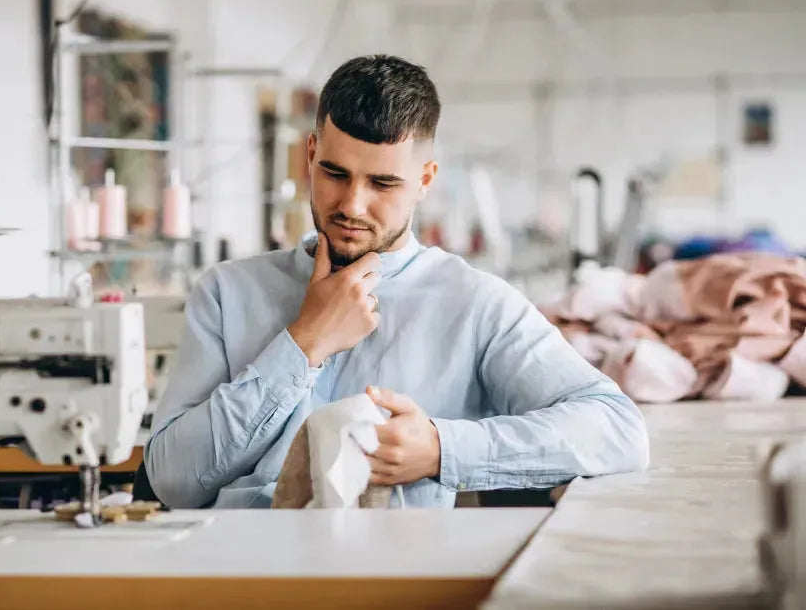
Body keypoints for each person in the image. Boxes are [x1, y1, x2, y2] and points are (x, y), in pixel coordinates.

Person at [145, 55, 649, 509]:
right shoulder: (226, 294)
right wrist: (304, 344)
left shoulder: (474, 304)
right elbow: (172, 481)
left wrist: (440, 449)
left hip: (393, 582)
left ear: (425, 180)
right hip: (234, 578)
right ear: (310, 154)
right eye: (335, 173)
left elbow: (617, 430)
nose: (352, 205)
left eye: (383, 183)